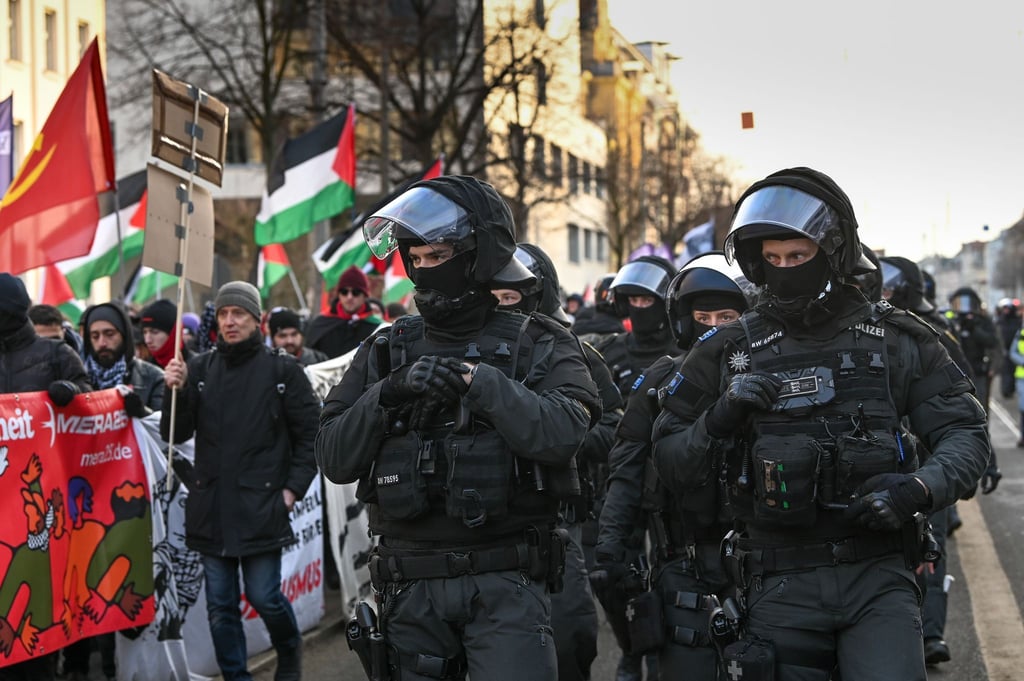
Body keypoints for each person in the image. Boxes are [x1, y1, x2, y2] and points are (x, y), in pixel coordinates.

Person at [651, 167, 989, 681]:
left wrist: (919, 489)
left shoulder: (895, 339)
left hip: (877, 577)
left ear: (832, 252)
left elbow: (965, 432)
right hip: (776, 579)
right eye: (773, 259)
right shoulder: (728, 349)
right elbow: (669, 457)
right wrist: (718, 420)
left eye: (798, 256)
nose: (785, 269)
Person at [316, 175, 601, 681]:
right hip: (409, 586)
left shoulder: (540, 341)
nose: (424, 269)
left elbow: (563, 432)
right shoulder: (385, 349)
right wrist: (389, 392)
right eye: (416, 258)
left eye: (438, 255)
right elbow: (333, 456)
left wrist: (479, 382)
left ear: (478, 256)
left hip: (506, 581)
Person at [595, 251, 754, 680]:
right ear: (684, 322)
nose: (714, 328)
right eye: (703, 317)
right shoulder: (659, 381)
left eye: (727, 317)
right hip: (683, 562)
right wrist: (610, 548)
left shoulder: (769, 376)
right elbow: (627, 470)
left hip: (760, 558)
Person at [161, 281, 320, 681]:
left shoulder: (283, 371)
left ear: (257, 319)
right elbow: (174, 433)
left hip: (261, 508)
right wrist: (174, 390)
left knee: (265, 597)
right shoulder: (200, 368)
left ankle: (289, 649)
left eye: (239, 313)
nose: (230, 321)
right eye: (224, 314)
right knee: (220, 607)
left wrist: (290, 492)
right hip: (211, 508)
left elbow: (311, 438)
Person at [490, 243, 623, 681]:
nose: (502, 305)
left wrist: (558, 437)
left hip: (557, 520)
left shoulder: (573, 354)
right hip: (486, 524)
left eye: (511, 296)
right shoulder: (468, 354)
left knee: (569, 636)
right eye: (494, 295)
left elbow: (615, 426)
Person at [879, 254, 1001, 666]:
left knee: (930, 549)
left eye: (889, 286)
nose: (882, 292)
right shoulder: (860, 331)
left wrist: (985, 460)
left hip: (931, 465)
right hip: (882, 465)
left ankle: (930, 634)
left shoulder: (931, 335)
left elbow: (965, 407)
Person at [583, 255, 679, 681]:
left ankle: (658, 655)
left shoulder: (687, 351)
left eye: (648, 300)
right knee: (610, 575)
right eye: (633, 300)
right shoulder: (609, 352)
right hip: (618, 478)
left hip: (671, 479)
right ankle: (629, 648)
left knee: (668, 574)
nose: (640, 308)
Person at [0, 274, 91, 681]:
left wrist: (71, 391)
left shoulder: (54, 354)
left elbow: (92, 401)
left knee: (39, 609)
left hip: (42, 509)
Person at [305, 265, 383, 359]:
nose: (349, 297)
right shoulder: (320, 324)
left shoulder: (376, 328)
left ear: (365, 295)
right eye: (344, 292)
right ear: (339, 294)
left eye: (356, 292)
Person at [946, 286, 1000, 416]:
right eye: (959, 303)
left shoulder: (983, 321)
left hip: (978, 371)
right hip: (955, 372)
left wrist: (974, 329)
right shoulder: (950, 321)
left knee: (979, 408)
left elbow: (992, 341)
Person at [140, 298, 193, 369]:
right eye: (144, 332)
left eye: (155, 332)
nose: (147, 340)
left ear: (173, 333)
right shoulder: (143, 369)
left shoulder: (198, 366)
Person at [995, 297, 1021, 398]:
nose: (1006, 311)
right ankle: (1006, 391)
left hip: (1015, 350)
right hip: (1004, 351)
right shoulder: (1000, 321)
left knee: (1014, 372)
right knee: (1005, 372)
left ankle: (1012, 389)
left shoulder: (1017, 321)